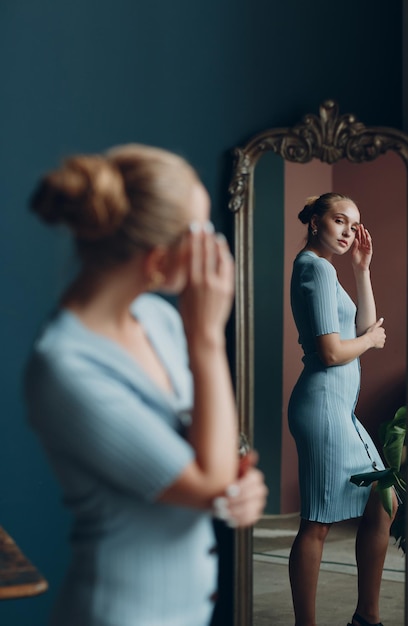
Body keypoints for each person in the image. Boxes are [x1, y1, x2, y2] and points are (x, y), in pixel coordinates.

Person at [24, 144, 267, 626]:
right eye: (201, 231)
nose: (215, 244)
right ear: (158, 259)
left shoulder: (158, 320)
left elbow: (213, 462)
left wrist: (244, 486)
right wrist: (207, 339)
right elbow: (205, 482)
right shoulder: (64, 367)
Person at [287, 193, 398, 626]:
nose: (349, 232)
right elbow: (334, 352)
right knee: (317, 521)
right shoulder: (311, 267)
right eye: (339, 221)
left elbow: (363, 329)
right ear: (315, 222)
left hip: (338, 410)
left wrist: (362, 270)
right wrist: (368, 342)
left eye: (354, 225)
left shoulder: (328, 269)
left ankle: (365, 617)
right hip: (322, 408)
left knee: (382, 500)